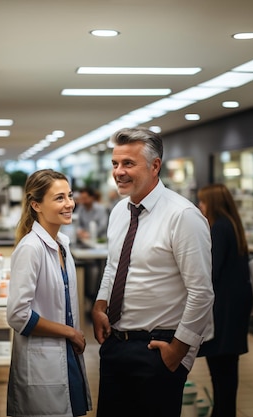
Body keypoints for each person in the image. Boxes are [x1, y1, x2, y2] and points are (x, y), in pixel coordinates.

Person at [91, 127, 215, 417]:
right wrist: (99, 305)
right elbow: (113, 266)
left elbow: (202, 292)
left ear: (155, 165)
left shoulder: (182, 216)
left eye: (128, 164)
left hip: (156, 350)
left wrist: (178, 351)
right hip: (114, 347)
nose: (119, 172)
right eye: (115, 163)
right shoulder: (119, 211)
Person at [6, 169, 92, 417]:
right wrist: (69, 332)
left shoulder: (61, 245)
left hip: (66, 357)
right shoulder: (31, 248)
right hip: (44, 362)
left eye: (70, 196)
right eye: (59, 198)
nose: (69, 204)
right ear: (36, 205)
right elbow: (17, 315)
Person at [196, 183, 253, 417]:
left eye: (202, 202)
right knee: (228, 368)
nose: (200, 206)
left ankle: (222, 412)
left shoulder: (219, 228)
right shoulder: (233, 225)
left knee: (220, 369)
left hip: (224, 309)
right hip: (235, 306)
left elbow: (212, 270)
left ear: (212, 204)